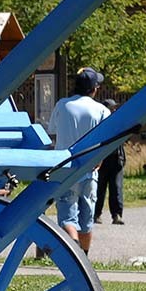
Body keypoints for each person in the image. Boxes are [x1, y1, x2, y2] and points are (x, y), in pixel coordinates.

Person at [48, 68, 111, 251]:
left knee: (67, 218)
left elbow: (52, 130)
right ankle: (84, 258)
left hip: (66, 169)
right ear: (94, 88)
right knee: (86, 221)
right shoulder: (101, 110)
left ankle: (73, 250)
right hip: (90, 170)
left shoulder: (62, 105)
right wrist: (100, 158)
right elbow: (107, 140)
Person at [94, 95, 126, 225]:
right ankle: (96, 214)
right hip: (102, 159)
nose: (113, 111)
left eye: (114, 109)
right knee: (99, 189)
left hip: (116, 159)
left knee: (116, 188)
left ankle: (117, 215)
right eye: (111, 108)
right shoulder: (99, 123)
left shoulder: (118, 123)